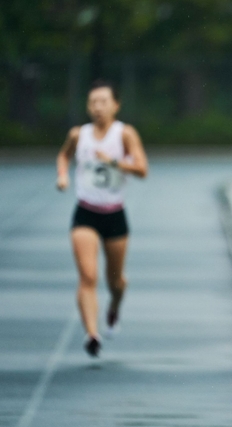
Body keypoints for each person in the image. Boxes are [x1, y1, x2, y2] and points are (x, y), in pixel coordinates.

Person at [56, 79, 148, 357]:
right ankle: (92, 334)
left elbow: (142, 169)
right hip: (85, 212)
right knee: (87, 276)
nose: (97, 107)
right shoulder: (78, 134)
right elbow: (63, 156)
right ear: (87, 106)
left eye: (103, 102)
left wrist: (114, 162)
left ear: (115, 105)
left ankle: (114, 306)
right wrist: (62, 175)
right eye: (93, 102)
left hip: (115, 215)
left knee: (115, 281)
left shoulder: (124, 134)